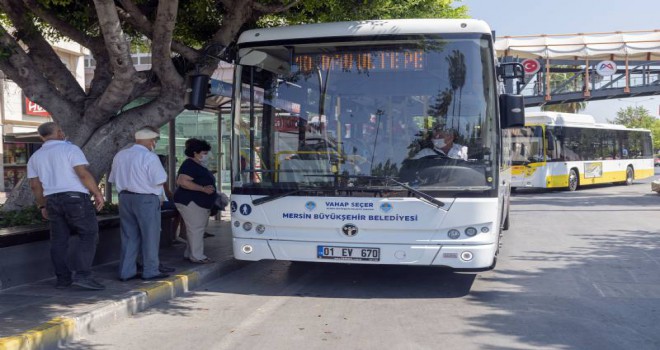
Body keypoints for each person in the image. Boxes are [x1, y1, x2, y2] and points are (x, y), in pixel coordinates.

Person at [27, 122, 106, 290]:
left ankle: (63, 279)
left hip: (52, 200)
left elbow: (35, 185)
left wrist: (42, 206)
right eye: (60, 130)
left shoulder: (35, 157)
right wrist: (97, 193)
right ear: (58, 133)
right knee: (89, 234)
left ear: (42, 136)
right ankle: (83, 275)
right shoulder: (71, 149)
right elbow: (82, 174)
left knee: (58, 240)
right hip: (75, 198)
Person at [109, 127, 171, 281]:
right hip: (146, 199)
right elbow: (160, 180)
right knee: (150, 235)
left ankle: (126, 272)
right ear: (151, 141)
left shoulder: (120, 155)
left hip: (125, 198)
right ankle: (150, 270)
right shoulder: (150, 157)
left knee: (129, 236)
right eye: (154, 141)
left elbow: (113, 178)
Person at [173, 138, 216, 264]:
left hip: (197, 202)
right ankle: (197, 256)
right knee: (196, 229)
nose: (206, 156)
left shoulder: (196, 164)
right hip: (191, 201)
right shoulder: (189, 165)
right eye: (204, 153)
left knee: (195, 228)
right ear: (195, 152)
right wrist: (203, 189)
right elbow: (182, 181)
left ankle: (190, 253)